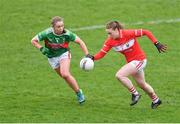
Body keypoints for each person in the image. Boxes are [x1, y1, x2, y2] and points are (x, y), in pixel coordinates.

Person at [87, 20, 167, 109]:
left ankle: (135, 94)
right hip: (132, 63)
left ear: (117, 30)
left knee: (119, 75)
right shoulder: (109, 41)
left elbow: (146, 32)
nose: (109, 36)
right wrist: (93, 58)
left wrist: (156, 43)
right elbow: (101, 54)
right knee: (142, 84)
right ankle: (156, 100)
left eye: (110, 33)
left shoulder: (128, 33)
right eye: (107, 33)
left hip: (140, 60)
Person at [31, 16, 90, 104]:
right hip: (52, 58)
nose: (61, 28)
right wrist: (41, 48)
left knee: (65, 74)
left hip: (64, 54)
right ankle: (77, 91)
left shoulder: (67, 34)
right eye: (58, 26)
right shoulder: (47, 33)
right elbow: (33, 41)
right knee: (65, 77)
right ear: (53, 27)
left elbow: (80, 42)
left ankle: (79, 94)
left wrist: (87, 54)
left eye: (62, 26)